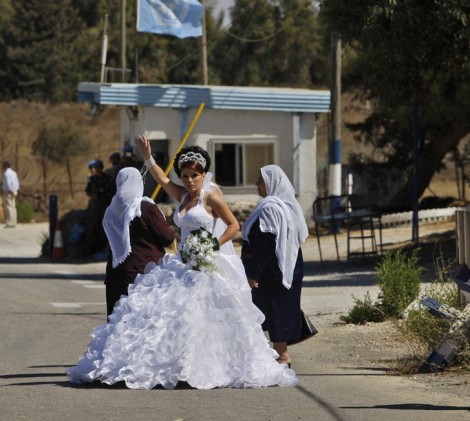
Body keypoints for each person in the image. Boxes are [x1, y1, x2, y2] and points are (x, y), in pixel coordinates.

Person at [67, 136, 297, 390]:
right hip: (184, 262)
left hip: (209, 265)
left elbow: (234, 225)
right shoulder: (183, 195)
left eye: (194, 176)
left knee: (207, 316)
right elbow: (163, 180)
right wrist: (148, 157)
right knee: (172, 314)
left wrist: (213, 245)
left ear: (203, 174)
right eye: (185, 176)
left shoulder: (210, 197)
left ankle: (212, 366)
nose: (189, 180)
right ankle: (178, 365)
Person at [241, 165, 309, 367]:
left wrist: (254, 273)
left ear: (272, 184)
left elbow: (267, 243)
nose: (257, 185)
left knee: (272, 310)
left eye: (260, 181)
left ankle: (283, 356)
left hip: (272, 271)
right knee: (275, 310)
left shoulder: (271, 208)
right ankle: (276, 353)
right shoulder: (283, 206)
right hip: (285, 267)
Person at [102, 167, 176, 317]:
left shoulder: (111, 209)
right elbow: (167, 237)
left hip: (116, 274)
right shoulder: (145, 207)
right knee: (141, 324)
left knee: (117, 323)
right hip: (145, 272)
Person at [85, 160, 114, 256]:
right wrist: (92, 195)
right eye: (94, 168)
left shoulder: (108, 179)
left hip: (105, 206)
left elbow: (112, 191)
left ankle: (105, 248)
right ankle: (95, 249)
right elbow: (88, 190)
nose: (95, 170)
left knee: (105, 227)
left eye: (97, 168)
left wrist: (103, 195)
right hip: (95, 207)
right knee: (94, 227)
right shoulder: (92, 179)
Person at [2, 161, 19, 228]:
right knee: (13, 207)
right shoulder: (14, 173)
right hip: (14, 190)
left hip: (8, 191)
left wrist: (11, 191)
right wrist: (15, 191)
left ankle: (10, 222)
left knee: (8, 207)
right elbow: (17, 182)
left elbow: (8, 184)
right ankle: (14, 222)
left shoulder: (6, 174)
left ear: (5, 166)